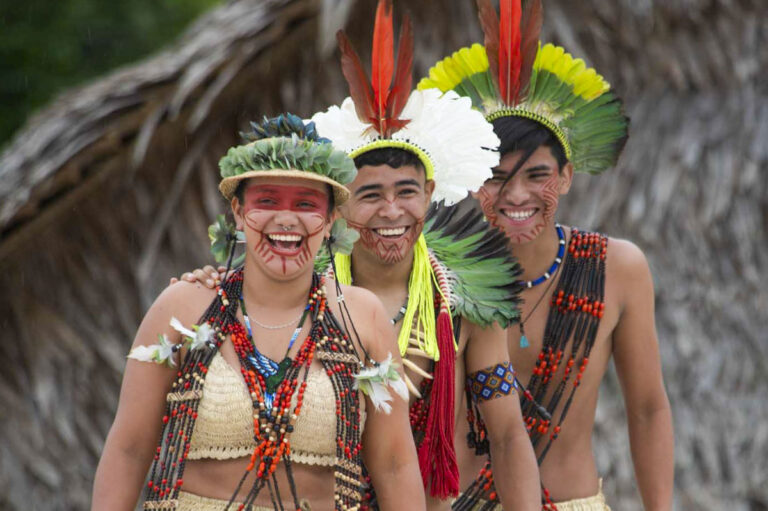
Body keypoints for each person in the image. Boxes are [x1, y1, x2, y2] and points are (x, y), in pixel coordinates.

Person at [181, 2, 541, 510]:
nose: (391, 211)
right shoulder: (298, 291)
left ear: (430, 191)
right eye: (370, 195)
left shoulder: (462, 301)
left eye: (406, 192)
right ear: (342, 207)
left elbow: (505, 435)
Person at [92, 114, 426, 511]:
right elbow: (129, 449)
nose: (286, 219)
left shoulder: (361, 315)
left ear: (331, 218)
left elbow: (394, 464)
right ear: (237, 211)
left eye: (306, 204)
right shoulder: (184, 307)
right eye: (267, 201)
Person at [418, 1, 675, 510]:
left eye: (537, 176)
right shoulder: (437, 276)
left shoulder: (616, 269)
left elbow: (646, 409)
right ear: (472, 182)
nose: (516, 197)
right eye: (496, 178)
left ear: (566, 176)